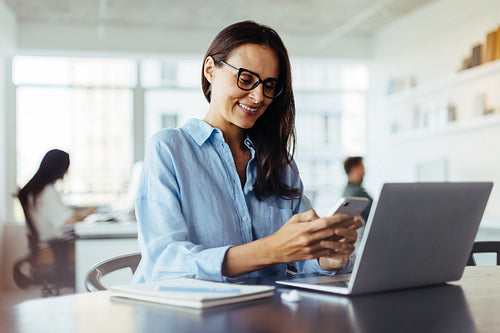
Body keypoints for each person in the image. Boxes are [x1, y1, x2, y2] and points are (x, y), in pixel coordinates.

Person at [133, 20, 363, 283]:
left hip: (261, 315)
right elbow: (165, 262)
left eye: (268, 85)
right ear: (210, 70)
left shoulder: (280, 165)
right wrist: (270, 250)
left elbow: (302, 261)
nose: (258, 97)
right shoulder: (169, 149)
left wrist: (325, 258)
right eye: (246, 79)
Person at [17, 149, 96, 245]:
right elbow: (70, 220)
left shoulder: (35, 190)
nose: (66, 172)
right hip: (55, 246)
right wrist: (89, 212)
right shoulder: (46, 192)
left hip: (48, 244)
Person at [342, 156, 373, 222]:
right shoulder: (357, 193)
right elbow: (374, 213)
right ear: (354, 169)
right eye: (362, 168)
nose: (364, 172)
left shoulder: (346, 191)